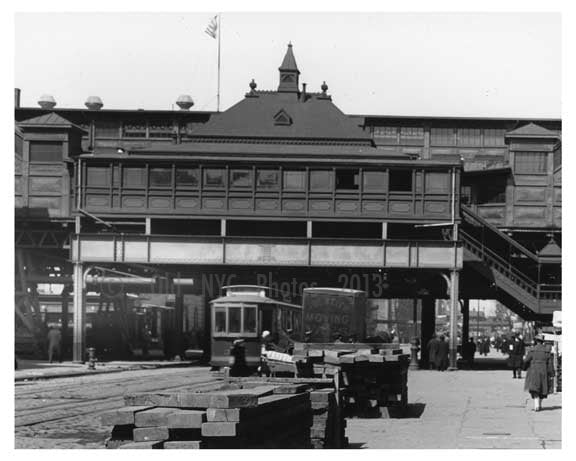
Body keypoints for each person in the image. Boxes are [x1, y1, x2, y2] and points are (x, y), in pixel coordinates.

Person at [523, 334, 555, 411]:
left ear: (536, 341)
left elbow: (526, 360)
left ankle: (536, 405)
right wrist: (551, 373)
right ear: (542, 342)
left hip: (533, 370)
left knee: (534, 388)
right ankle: (539, 404)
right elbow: (550, 364)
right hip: (544, 371)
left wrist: (524, 367)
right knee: (542, 388)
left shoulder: (532, 350)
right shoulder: (547, 351)